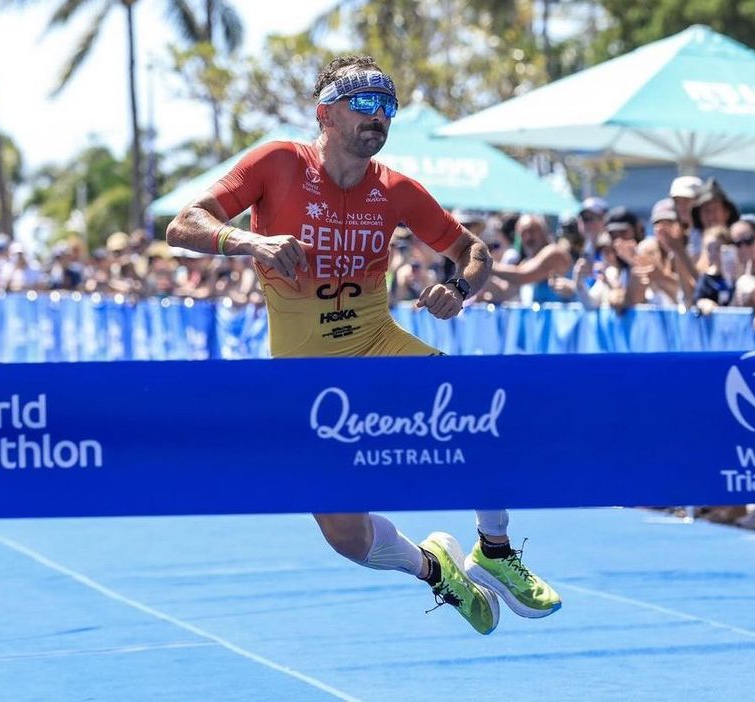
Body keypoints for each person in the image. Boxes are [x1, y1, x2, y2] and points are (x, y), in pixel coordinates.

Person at [166, 54, 560, 635]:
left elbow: (474, 252)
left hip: (378, 346)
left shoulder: (395, 190)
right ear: (325, 113)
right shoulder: (278, 162)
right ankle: (435, 569)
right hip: (305, 377)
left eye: (388, 106)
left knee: (479, 410)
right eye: (366, 104)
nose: (380, 117)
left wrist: (458, 289)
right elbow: (183, 223)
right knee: (347, 535)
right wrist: (250, 241)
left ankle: (495, 549)